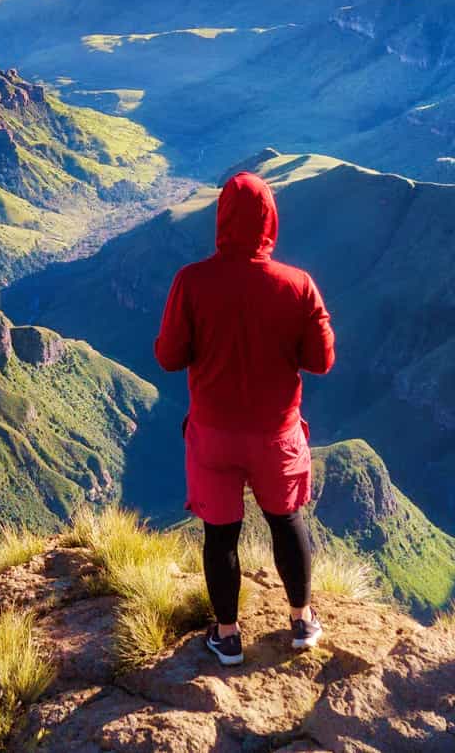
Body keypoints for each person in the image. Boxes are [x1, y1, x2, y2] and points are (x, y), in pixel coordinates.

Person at [153, 170, 335, 666]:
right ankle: (301, 620)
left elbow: (169, 357)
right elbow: (321, 361)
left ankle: (228, 636)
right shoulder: (297, 286)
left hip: (213, 435)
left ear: (222, 220)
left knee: (220, 535)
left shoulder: (191, 282)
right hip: (277, 434)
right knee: (286, 521)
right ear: (270, 221)